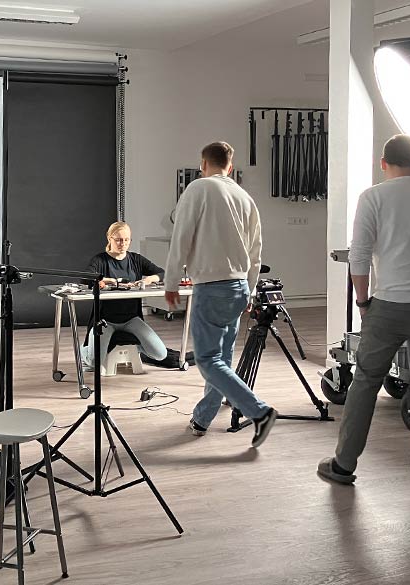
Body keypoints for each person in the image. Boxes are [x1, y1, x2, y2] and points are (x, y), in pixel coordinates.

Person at [316, 135, 410, 486]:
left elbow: (359, 256)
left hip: (390, 304)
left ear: (383, 163)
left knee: (366, 381)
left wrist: (363, 302)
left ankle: (344, 464)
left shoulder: (373, 197)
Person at [166, 141, 277, 448]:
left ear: (203, 164)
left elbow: (181, 237)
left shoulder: (198, 189)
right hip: (239, 286)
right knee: (222, 359)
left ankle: (260, 411)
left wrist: (171, 281)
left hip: (211, 286)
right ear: (231, 166)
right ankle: (203, 419)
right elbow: (256, 251)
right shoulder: (245, 197)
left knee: (207, 360)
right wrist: (250, 290)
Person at [83, 221, 166, 370]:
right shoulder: (100, 260)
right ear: (109, 238)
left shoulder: (136, 259)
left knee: (160, 354)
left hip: (131, 319)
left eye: (127, 240)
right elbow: (86, 278)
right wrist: (107, 280)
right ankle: (84, 351)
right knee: (94, 363)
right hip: (105, 320)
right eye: (119, 240)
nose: (123, 244)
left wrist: (148, 279)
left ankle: (133, 347)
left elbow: (162, 273)